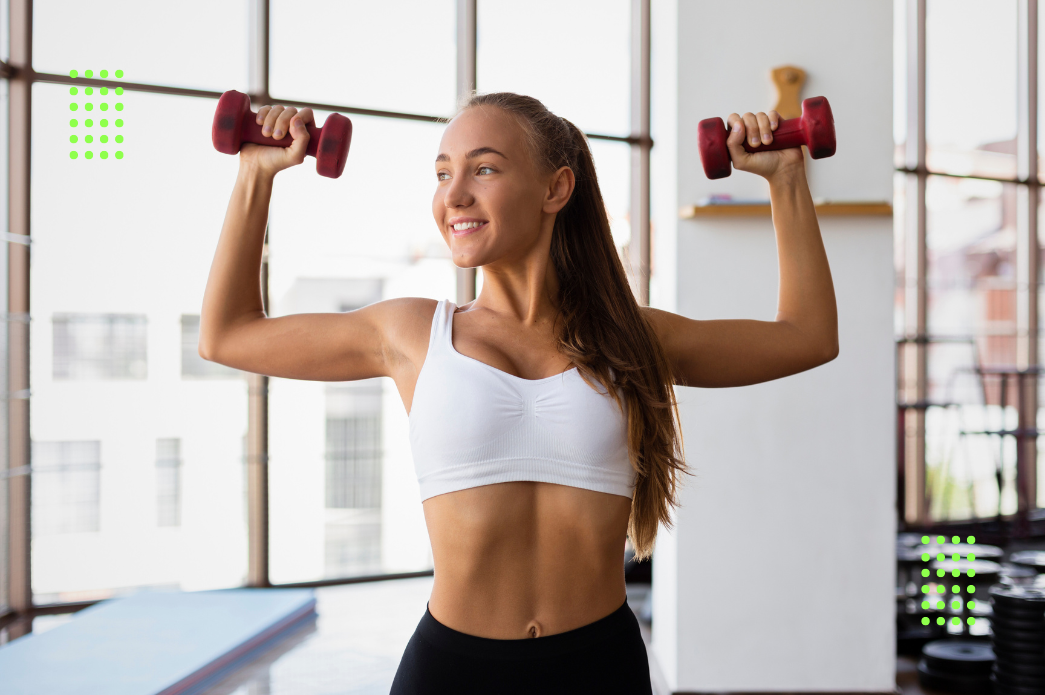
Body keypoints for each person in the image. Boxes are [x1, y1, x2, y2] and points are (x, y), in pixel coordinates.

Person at [199, 92, 838, 694]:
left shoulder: (633, 339)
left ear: (556, 188)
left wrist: (786, 178)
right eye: (443, 173)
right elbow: (229, 335)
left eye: (484, 169)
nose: (455, 195)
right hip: (453, 671)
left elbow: (807, 336)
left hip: (599, 667)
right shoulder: (414, 334)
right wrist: (256, 174)